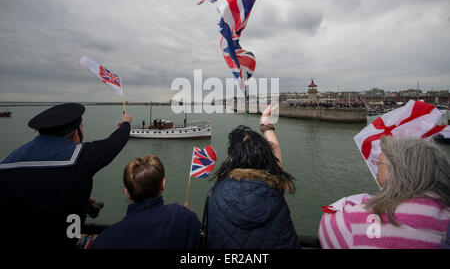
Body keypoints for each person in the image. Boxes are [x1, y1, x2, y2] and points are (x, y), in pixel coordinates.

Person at [0, 103, 132, 248]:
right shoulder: (79, 159)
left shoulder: (6, 162)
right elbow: (113, 143)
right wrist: (126, 122)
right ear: (76, 133)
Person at [318, 136, 450, 249]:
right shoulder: (445, 216)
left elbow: (328, 224)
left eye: (379, 162)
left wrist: (361, 202)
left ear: (394, 171)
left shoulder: (356, 221)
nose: (376, 166)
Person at [207, 104, 300, 249]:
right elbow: (275, 158)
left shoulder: (219, 187)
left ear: (231, 158)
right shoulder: (273, 184)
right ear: (265, 156)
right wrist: (265, 122)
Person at [90, 155, 201, 249]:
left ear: (127, 192)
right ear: (163, 184)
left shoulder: (105, 239)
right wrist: (186, 215)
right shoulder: (182, 216)